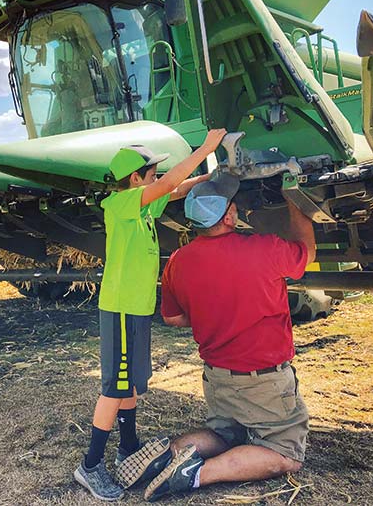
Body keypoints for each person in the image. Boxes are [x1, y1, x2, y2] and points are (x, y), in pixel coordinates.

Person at [116, 172, 316, 502]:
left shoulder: (178, 261)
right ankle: (194, 473)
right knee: (286, 455)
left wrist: (214, 310)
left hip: (218, 377)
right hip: (262, 381)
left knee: (226, 435)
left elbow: (173, 317)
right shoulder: (264, 249)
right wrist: (294, 198)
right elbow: (307, 252)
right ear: (229, 216)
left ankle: (171, 451)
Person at [74, 129, 226, 501]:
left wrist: (212, 177)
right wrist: (205, 149)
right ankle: (90, 466)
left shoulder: (142, 207)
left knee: (131, 383)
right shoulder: (122, 203)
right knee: (114, 387)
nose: (158, 178)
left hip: (136, 310)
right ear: (136, 179)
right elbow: (172, 182)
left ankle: (129, 445)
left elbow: (176, 188)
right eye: (152, 173)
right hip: (121, 309)